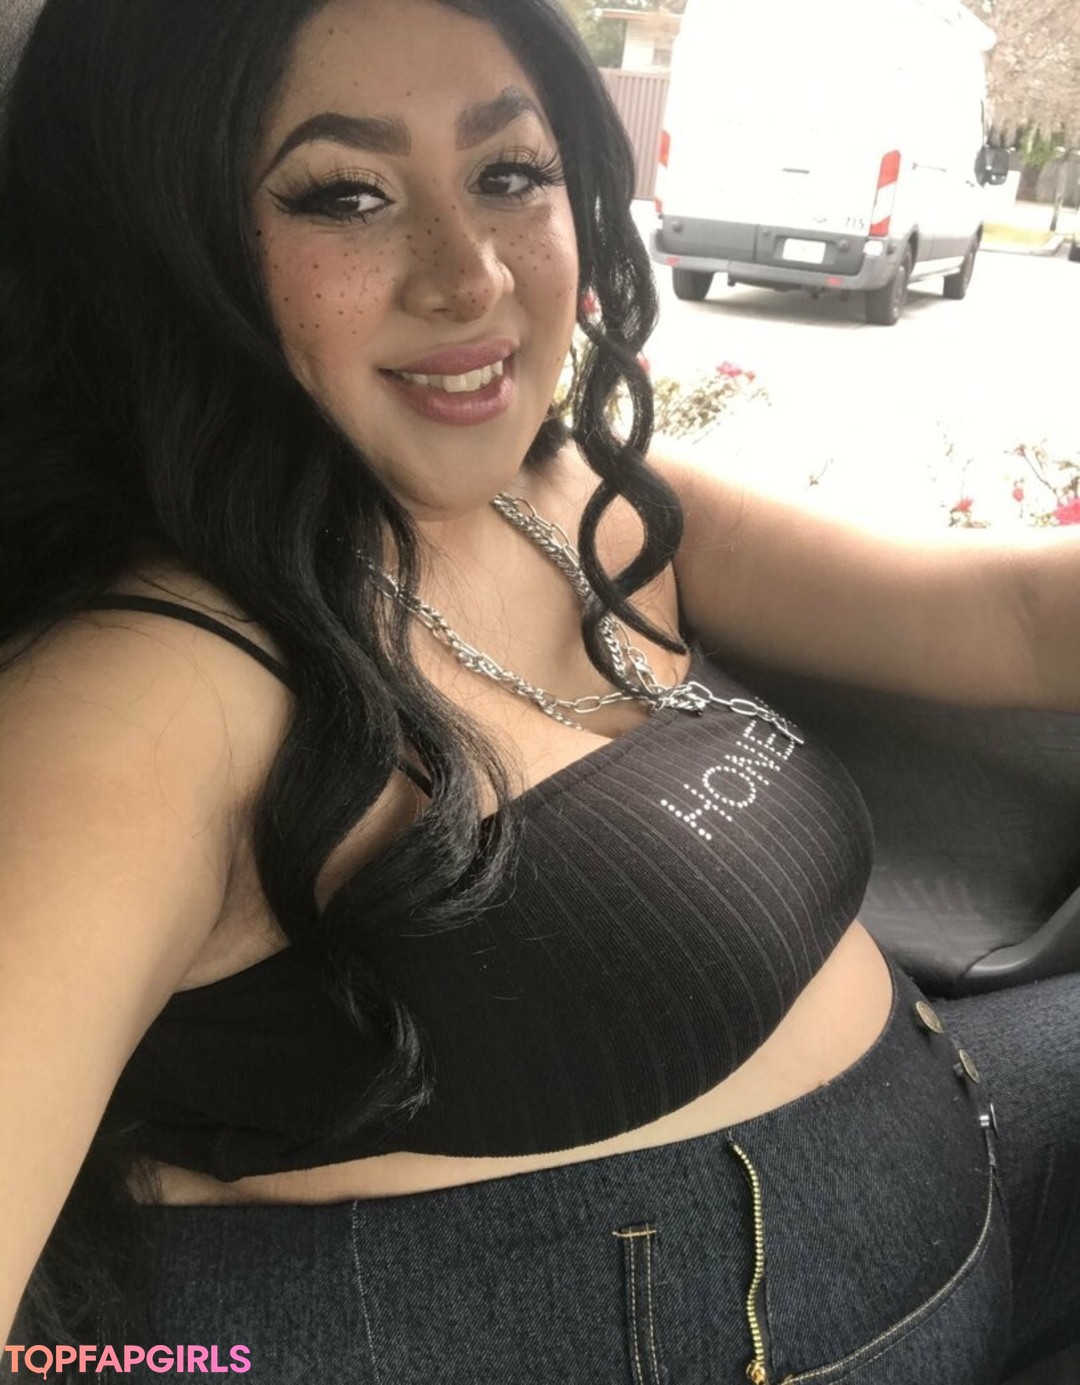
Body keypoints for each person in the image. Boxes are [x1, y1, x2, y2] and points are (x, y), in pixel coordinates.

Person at [1, 1, 1078, 1381]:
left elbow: (1010, 618)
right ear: (160, 246)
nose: (473, 276)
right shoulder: (139, 698)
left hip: (974, 1172)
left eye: (511, 172)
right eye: (345, 195)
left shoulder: (572, 496)